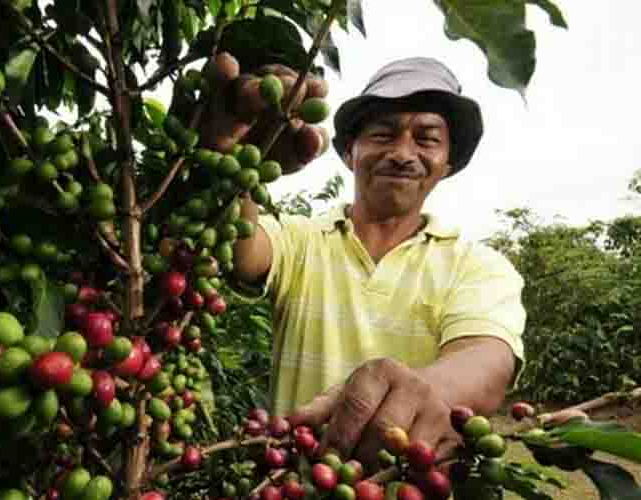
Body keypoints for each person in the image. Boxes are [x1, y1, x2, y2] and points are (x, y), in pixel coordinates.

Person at [200, 55, 527, 466]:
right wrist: (233, 154)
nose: (402, 153)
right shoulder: (302, 240)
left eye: (426, 139)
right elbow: (240, 252)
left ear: (448, 164)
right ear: (350, 153)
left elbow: (488, 359)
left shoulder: (478, 266)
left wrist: (417, 389)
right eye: (382, 135)